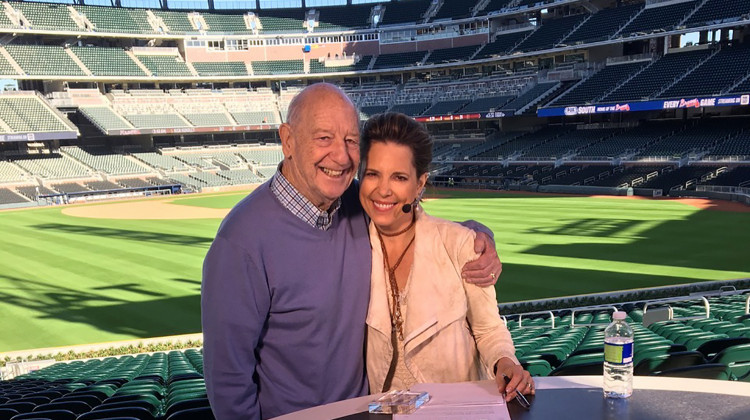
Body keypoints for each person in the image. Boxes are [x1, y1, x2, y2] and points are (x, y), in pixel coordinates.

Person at [201, 83, 503, 420]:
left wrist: (478, 234)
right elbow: (228, 382)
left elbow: (410, 217)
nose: (342, 157)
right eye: (324, 138)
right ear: (288, 141)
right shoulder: (240, 242)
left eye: (350, 141)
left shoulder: (356, 203)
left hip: (369, 412)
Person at [359, 112, 534, 399]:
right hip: (386, 413)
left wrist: (505, 362)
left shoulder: (460, 243)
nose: (383, 190)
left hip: (456, 409)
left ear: (419, 184)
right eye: (372, 174)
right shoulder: (351, 244)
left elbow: (488, 329)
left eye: (399, 177)